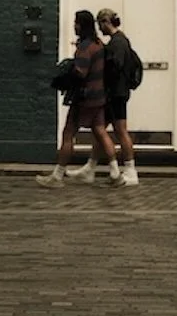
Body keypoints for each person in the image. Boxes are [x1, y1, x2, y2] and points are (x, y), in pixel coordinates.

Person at [38, 10, 121, 188]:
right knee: (100, 131)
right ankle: (115, 173)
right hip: (99, 97)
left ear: (82, 25)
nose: (74, 26)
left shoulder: (85, 47)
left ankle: (57, 176)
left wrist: (65, 75)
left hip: (84, 99)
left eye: (76, 23)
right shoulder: (98, 44)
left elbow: (80, 73)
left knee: (68, 133)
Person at [66, 8, 139, 187]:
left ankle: (130, 171)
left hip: (116, 94)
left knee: (120, 130)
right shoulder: (117, 42)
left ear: (107, 22)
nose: (99, 28)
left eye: (101, 24)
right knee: (100, 131)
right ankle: (90, 167)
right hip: (115, 93)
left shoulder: (118, 43)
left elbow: (114, 68)